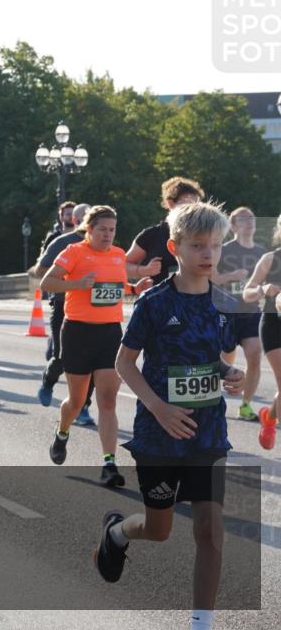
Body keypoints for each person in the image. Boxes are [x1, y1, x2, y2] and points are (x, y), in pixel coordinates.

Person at [101, 203, 245, 630]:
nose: (208, 253)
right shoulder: (154, 302)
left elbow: (210, 358)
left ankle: (201, 622)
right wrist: (158, 407)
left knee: (210, 530)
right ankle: (117, 533)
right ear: (174, 247)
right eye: (198, 245)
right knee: (158, 529)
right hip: (159, 433)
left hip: (208, 433)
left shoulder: (224, 304)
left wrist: (229, 373)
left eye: (215, 245)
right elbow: (124, 363)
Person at [40, 206, 153, 486]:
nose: (107, 235)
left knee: (108, 400)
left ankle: (109, 464)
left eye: (112, 230)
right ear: (89, 229)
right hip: (78, 333)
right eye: (102, 229)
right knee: (77, 401)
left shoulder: (118, 254)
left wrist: (134, 289)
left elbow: (115, 286)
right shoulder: (74, 252)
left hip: (110, 334)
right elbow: (47, 282)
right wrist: (78, 283)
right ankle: (62, 431)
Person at [31, 203, 121, 426]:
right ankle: (49, 381)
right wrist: (74, 280)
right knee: (60, 358)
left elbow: (116, 279)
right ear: (83, 224)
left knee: (95, 371)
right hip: (64, 308)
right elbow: (41, 271)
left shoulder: (113, 252)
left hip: (102, 322)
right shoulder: (63, 243)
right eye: (77, 217)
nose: (107, 234)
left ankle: (83, 407)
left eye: (111, 229)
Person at [215, 207, 266, 422]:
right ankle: (215, 401)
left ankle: (245, 405)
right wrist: (231, 276)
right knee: (224, 362)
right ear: (233, 226)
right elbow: (211, 279)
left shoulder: (261, 253)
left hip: (251, 312)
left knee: (255, 354)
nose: (249, 222)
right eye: (243, 219)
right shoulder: (223, 250)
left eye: (251, 218)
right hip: (226, 313)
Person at [242, 214, 281, 449]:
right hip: (274, 325)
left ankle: (270, 417)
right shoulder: (270, 259)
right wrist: (263, 289)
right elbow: (247, 293)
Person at [126, 177, 204, 286]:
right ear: (170, 203)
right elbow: (122, 265)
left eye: (196, 206)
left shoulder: (202, 235)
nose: (192, 210)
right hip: (158, 296)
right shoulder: (152, 235)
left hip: (193, 295)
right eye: (187, 205)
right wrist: (144, 270)